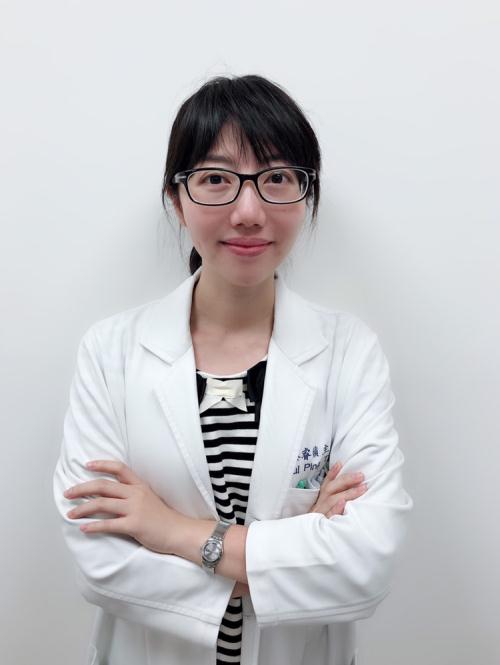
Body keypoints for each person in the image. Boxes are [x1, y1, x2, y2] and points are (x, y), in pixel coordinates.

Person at [53, 74, 413, 665]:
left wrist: (169, 531)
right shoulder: (111, 353)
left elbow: (366, 565)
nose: (249, 212)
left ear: (306, 196)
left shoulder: (349, 351)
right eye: (217, 179)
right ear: (176, 199)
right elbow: (99, 564)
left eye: (277, 179)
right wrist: (292, 557)